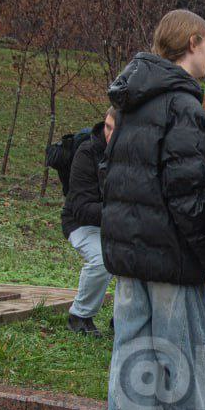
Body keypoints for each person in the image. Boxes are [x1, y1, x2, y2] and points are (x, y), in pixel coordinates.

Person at [100, 10, 205, 410]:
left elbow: (111, 174)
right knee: (186, 360)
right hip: (171, 259)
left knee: (131, 359)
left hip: (129, 256)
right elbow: (188, 191)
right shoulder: (183, 104)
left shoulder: (129, 99)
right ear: (192, 43)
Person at [61, 108, 116, 338]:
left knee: (141, 259)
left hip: (120, 224)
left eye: (116, 129)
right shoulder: (87, 152)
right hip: (81, 223)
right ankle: (79, 316)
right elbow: (81, 208)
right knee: (103, 258)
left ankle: (125, 318)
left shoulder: (135, 154)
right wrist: (121, 212)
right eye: (108, 127)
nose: (109, 134)